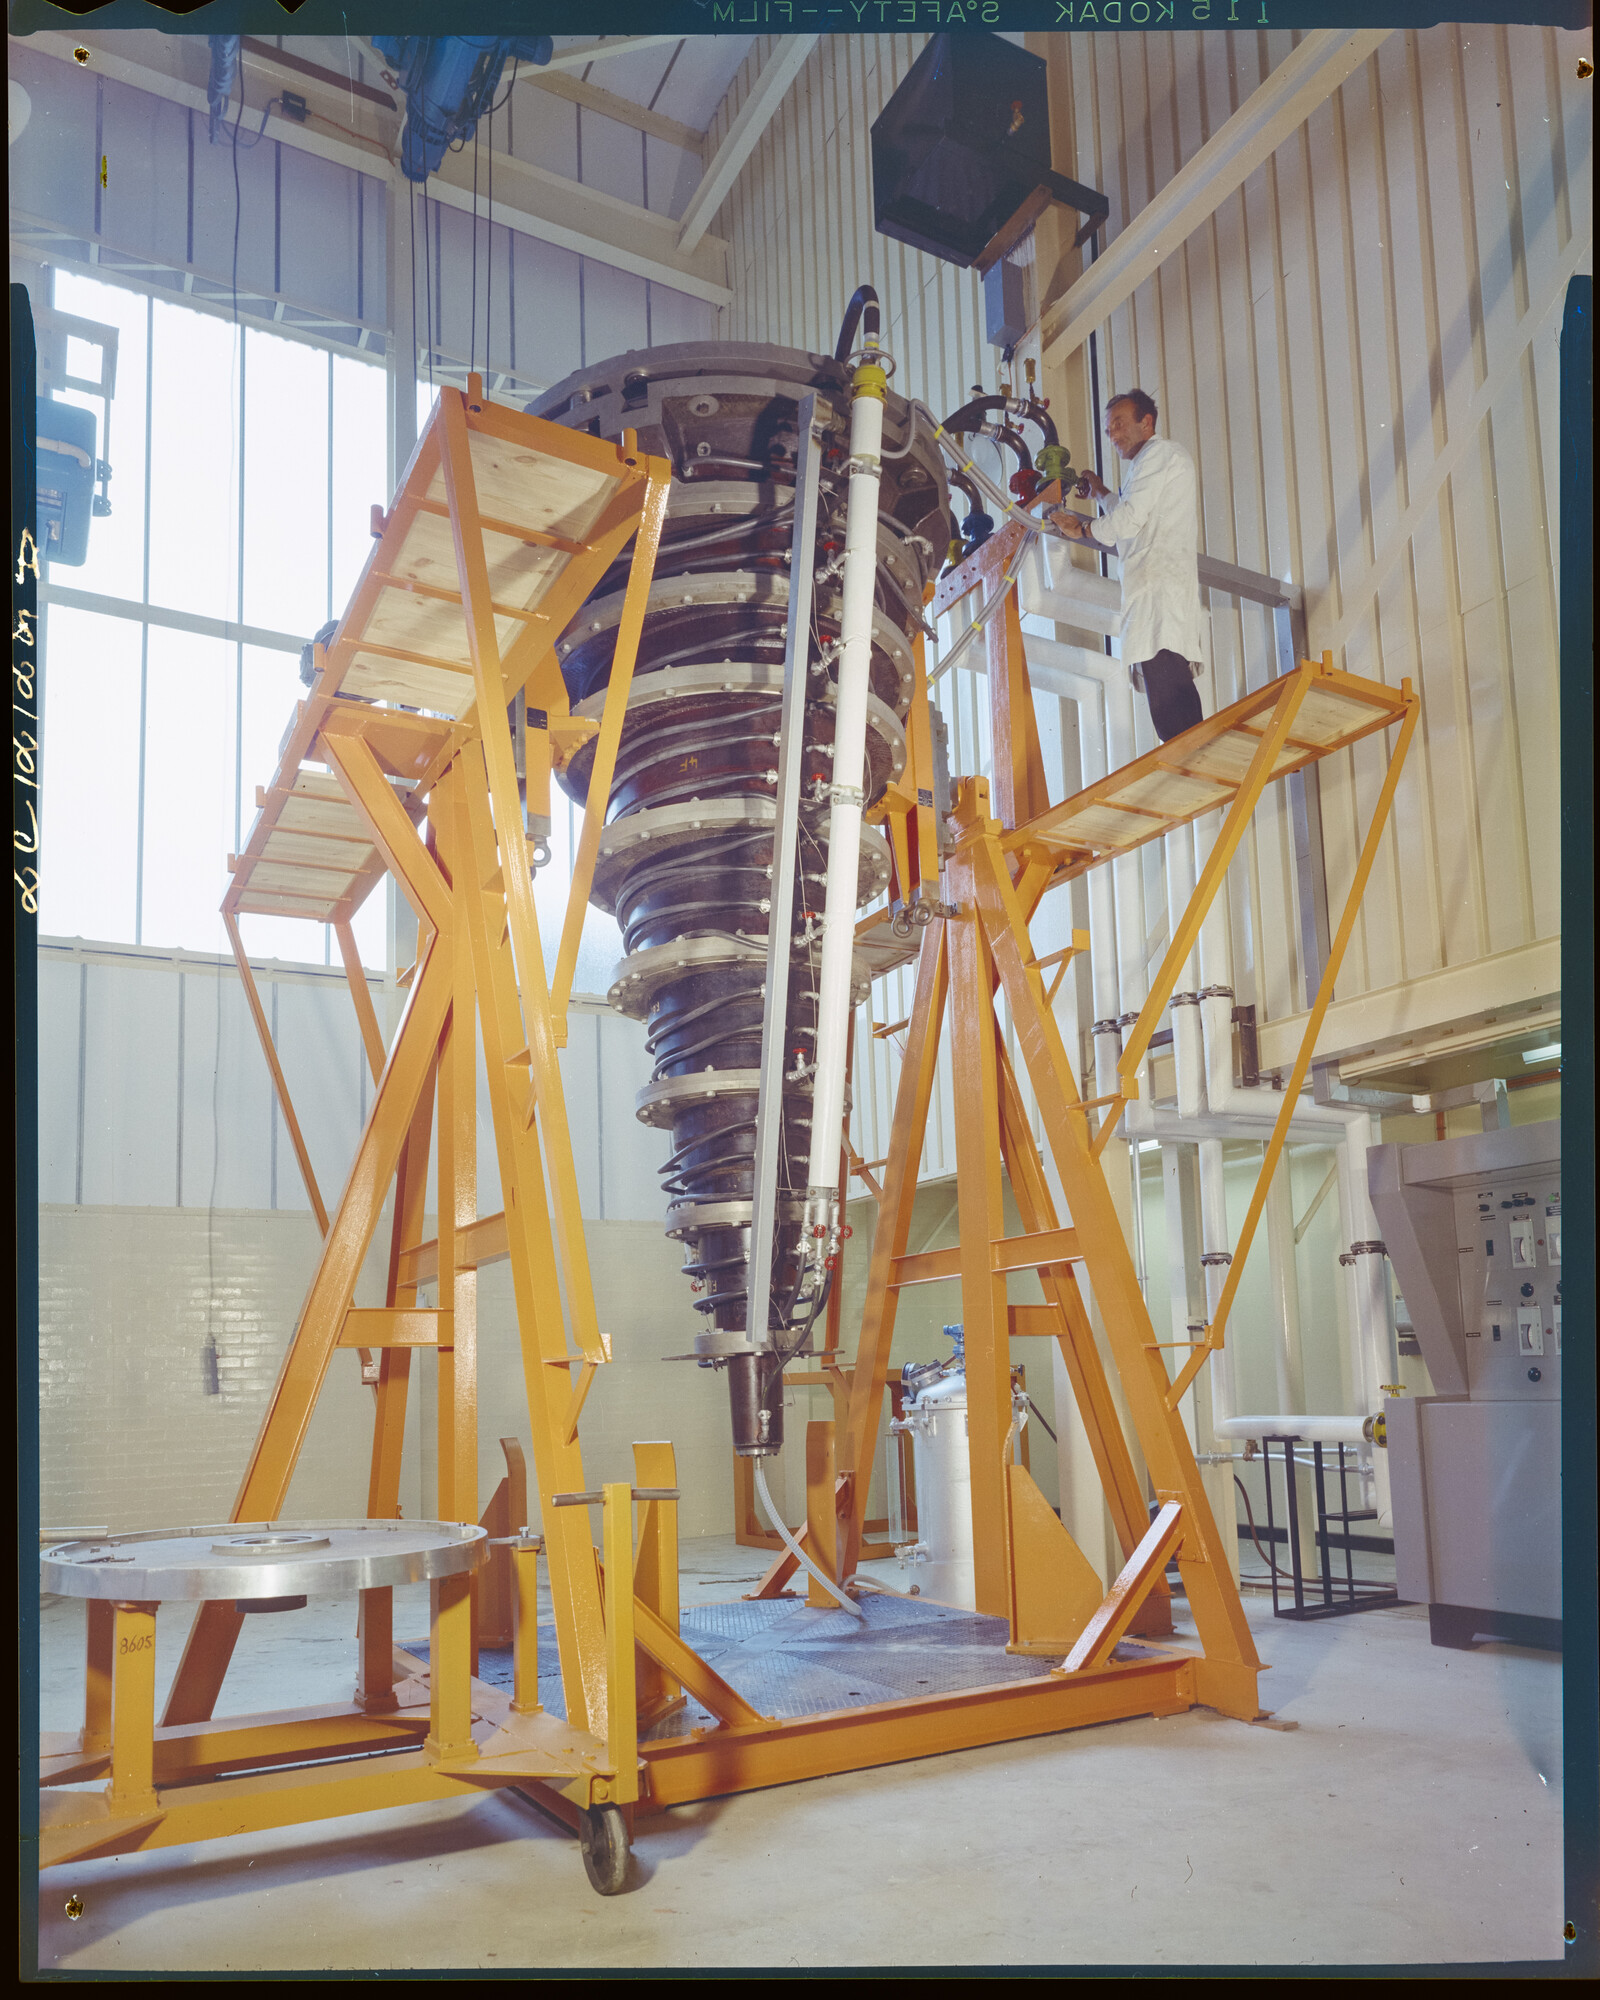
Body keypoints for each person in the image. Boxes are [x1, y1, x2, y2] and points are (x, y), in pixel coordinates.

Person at [1050, 389, 1205, 743]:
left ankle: (1194, 768)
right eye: (1108, 430)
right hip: (1153, 598)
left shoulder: (1160, 454)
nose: (1114, 435)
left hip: (1159, 598)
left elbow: (1128, 520)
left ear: (1146, 422)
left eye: (1119, 424)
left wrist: (1084, 528)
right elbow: (1131, 518)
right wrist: (1102, 493)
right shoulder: (1149, 466)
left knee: (1176, 719)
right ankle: (1192, 768)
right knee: (1170, 716)